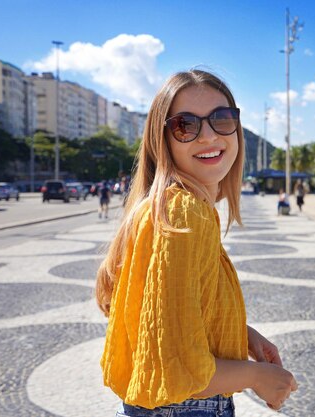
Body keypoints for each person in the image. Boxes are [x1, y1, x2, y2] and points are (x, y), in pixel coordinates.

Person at [96, 70, 297, 417]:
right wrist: (259, 377)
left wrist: (242, 333)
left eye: (221, 119)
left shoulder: (171, 207)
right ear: (164, 140)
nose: (207, 136)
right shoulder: (181, 213)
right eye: (185, 125)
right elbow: (173, 367)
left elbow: (163, 313)